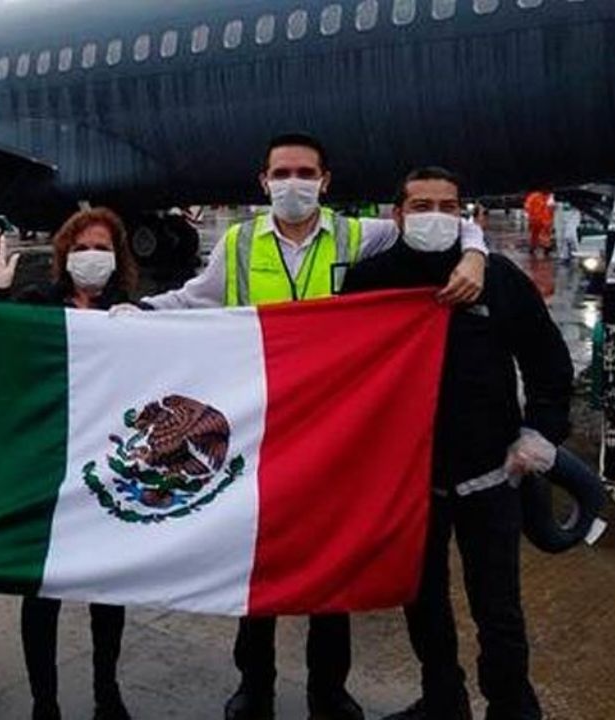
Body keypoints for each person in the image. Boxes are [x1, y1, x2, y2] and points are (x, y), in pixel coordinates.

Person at [136, 133, 491, 720]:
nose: (293, 182)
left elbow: (441, 224)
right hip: (264, 418)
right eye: (283, 172)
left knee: (332, 561)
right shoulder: (240, 241)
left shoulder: (359, 234)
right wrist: (135, 315)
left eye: (305, 172)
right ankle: (256, 683)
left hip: (336, 424)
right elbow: (196, 300)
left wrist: (475, 251)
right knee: (258, 556)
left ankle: (330, 688)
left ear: (325, 182)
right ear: (264, 181)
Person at [342, 167, 574, 720]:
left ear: (463, 214)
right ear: (398, 216)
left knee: (498, 608)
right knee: (422, 602)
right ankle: (443, 698)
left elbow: (548, 362)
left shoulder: (497, 279)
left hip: (491, 474)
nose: (435, 217)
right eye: (422, 206)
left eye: (447, 206)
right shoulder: (369, 281)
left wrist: (540, 432)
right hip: (410, 481)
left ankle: (512, 705)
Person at [0, 207, 137, 720]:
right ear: (65, 255)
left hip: (108, 470)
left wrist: (146, 332)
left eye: (103, 248)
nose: (92, 257)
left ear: (118, 257)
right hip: (48, 468)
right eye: (82, 248)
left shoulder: (128, 312)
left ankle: (106, 688)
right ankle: (46, 701)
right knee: (42, 592)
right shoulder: (38, 303)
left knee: (109, 593)